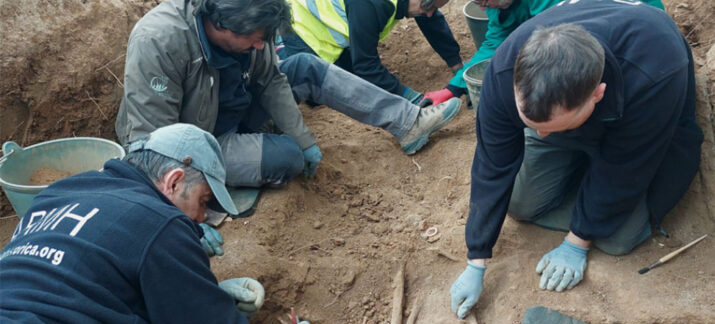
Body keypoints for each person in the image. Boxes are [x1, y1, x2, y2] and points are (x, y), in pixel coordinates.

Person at [0, 123, 320, 324]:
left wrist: (203, 298)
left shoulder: (59, 193)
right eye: (203, 202)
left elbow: (80, 283)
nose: (199, 219)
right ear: (174, 182)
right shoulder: (159, 223)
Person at [450, 0, 703, 319]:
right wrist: (477, 256)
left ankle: (592, 200)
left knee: (618, 240)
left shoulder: (655, 71)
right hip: (577, 112)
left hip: (641, 116)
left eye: (550, 127)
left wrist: (577, 242)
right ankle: (581, 174)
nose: (540, 137)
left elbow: (625, 167)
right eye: (533, 126)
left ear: (597, 95)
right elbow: (492, 163)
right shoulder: (505, 71)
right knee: (521, 204)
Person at [116, 0, 463, 192]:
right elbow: (151, 142)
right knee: (286, 156)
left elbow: (271, 79)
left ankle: (408, 122)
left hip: (237, 106)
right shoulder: (159, 41)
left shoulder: (252, 28)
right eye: (254, 40)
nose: (259, 46)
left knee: (303, 66)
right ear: (221, 26)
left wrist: (304, 137)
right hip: (199, 141)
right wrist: (177, 206)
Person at [422, 0, 665, 106]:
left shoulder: (554, 7)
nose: (484, 6)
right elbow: (493, 44)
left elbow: (569, 43)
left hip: (642, 38)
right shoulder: (502, 4)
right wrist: (452, 89)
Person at [278, 0, 462, 105]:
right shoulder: (369, 4)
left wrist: (458, 67)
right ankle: (278, 51)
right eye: (427, 7)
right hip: (302, 29)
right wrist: (415, 99)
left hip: (345, 20)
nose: (429, 13)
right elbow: (366, 66)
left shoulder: (421, 3)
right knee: (318, 95)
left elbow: (430, 18)